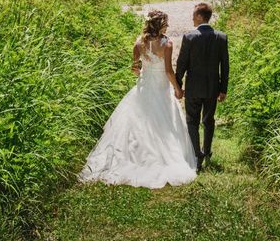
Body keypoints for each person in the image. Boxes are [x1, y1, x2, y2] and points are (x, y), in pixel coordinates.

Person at [77, 10, 197, 188]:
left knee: (139, 123)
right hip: (161, 87)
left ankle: (135, 156)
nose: (168, 26)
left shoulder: (139, 42)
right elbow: (168, 71)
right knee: (163, 124)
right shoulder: (167, 43)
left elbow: (134, 68)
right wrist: (178, 88)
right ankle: (160, 158)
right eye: (166, 23)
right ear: (159, 24)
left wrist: (143, 72)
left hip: (144, 85)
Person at [176, 2, 229, 172]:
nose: (192, 17)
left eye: (193, 14)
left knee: (192, 120)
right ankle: (206, 152)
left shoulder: (190, 37)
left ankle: (196, 154)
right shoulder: (221, 37)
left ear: (200, 16)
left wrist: (178, 85)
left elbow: (182, 63)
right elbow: (225, 65)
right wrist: (223, 89)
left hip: (193, 88)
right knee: (209, 120)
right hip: (213, 88)